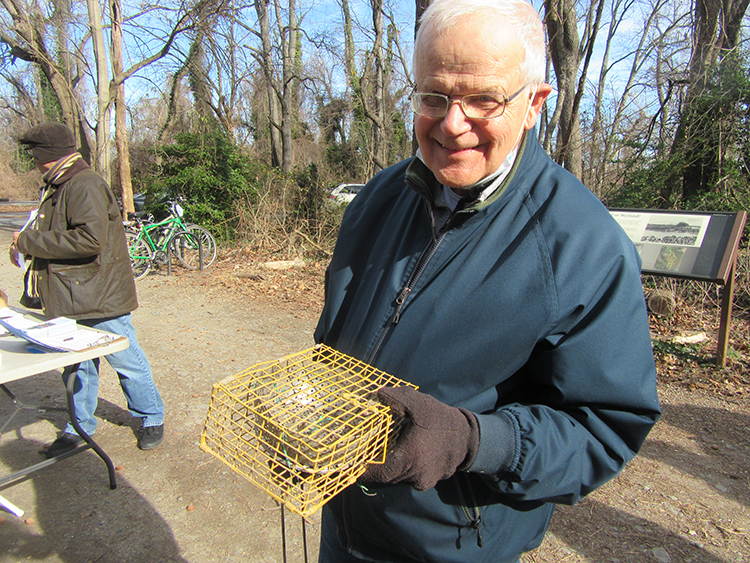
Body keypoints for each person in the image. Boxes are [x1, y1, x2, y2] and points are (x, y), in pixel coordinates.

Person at [313, 1, 661, 562]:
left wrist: (473, 441)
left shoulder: (582, 247)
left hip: (451, 546)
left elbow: (604, 429)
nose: (453, 123)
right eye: (434, 96)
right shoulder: (377, 200)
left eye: (483, 99)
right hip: (345, 526)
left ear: (533, 104)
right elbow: (334, 343)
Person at [10, 122, 165, 457]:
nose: (34, 163)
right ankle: (79, 426)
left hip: (99, 294)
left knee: (126, 360)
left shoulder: (84, 184)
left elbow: (89, 240)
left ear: (47, 156)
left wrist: (29, 242)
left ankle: (151, 416)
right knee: (77, 365)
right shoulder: (58, 184)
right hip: (69, 294)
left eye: (35, 156)